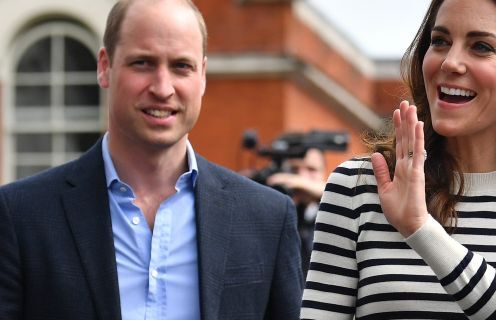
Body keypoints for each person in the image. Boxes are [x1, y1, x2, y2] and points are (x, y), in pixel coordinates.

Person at [300, 0, 496, 319]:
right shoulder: (358, 187)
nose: (450, 62)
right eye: (440, 41)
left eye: (481, 46)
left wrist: (421, 230)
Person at [0, 0, 303, 319]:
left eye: (181, 66)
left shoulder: (267, 219)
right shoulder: (21, 217)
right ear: (105, 66)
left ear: (202, 75)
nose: (162, 88)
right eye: (143, 63)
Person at [267, 148, 327, 274]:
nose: (302, 176)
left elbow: (334, 191)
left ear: (324, 173)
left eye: (311, 169)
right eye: (295, 170)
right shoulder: (287, 207)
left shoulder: (332, 206)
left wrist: (297, 182)